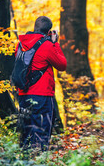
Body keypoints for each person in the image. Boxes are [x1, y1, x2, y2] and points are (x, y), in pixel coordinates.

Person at [16, 16, 67, 151]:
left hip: (23, 93)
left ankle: (25, 164)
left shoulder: (21, 44)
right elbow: (62, 64)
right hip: (42, 94)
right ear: (48, 31)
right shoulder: (47, 45)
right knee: (42, 131)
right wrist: (55, 43)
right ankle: (40, 164)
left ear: (35, 27)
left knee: (26, 131)